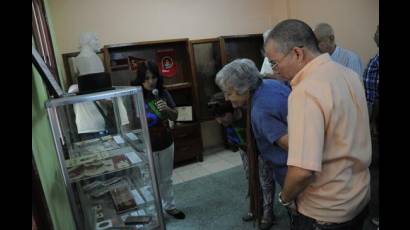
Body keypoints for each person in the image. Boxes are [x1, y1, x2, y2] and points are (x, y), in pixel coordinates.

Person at [264, 19, 371, 230]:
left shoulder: (305, 92)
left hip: (326, 210)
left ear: (297, 53)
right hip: (359, 196)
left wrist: (285, 198)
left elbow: (303, 171)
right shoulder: (348, 74)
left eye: (275, 62)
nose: (274, 70)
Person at [215, 59, 290, 230]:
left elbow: (295, 147)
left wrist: (287, 196)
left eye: (229, 92)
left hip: (291, 171)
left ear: (243, 88)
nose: (226, 98)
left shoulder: (260, 110)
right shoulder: (272, 85)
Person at [208, 92, 277, 230]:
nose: (220, 121)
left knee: (265, 180)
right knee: (250, 178)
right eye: (216, 117)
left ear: (233, 109)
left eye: (222, 115)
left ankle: (268, 213)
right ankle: (256, 207)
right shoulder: (227, 122)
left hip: (261, 150)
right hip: (244, 149)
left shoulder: (250, 115)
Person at [131, 60, 185, 220]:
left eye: (153, 77)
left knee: (166, 178)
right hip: (146, 146)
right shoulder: (135, 95)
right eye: (146, 78)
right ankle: (154, 211)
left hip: (166, 142)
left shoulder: (163, 92)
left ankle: (170, 206)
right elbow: (131, 123)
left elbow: (177, 115)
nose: (150, 81)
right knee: (149, 181)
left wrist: (166, 108)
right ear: (140, 79)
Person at [69, 32, 128, 140]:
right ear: (87, 42)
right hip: (95, 124)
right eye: (95, 40)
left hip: (98, 122)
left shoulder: (87, 58)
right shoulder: (88, 58)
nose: (98, 42)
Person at [363, 25, 379, 227]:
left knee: (375, 172)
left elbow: (370, 101)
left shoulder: (375, 62)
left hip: (376, 128)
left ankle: (375, 216)